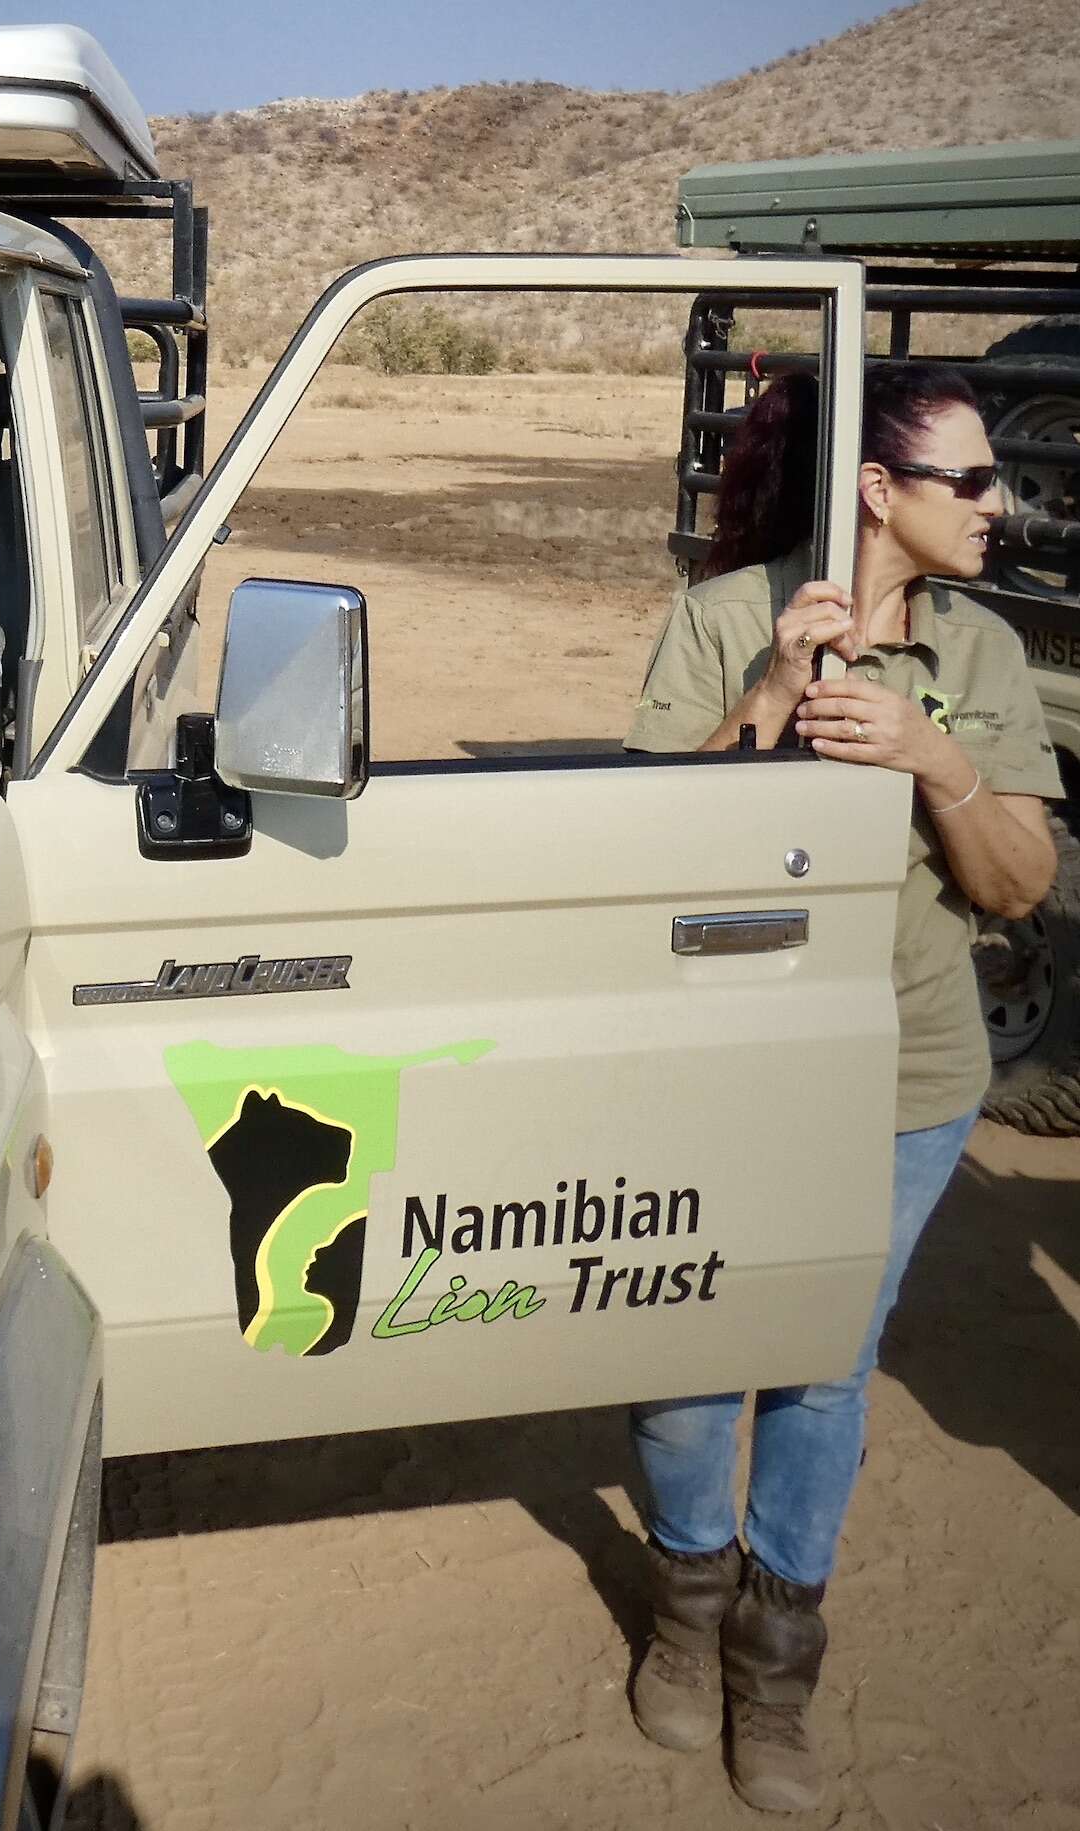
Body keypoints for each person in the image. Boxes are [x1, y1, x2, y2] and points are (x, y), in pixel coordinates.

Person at [620, 361, 1060, 1812]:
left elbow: (1017, 888)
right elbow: (633, 863)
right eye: (975, 481)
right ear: (881, 494)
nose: (1002, 505)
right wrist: (760, 704)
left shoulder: (984, 660)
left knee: (825, 1357)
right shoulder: (727, 616)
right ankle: (686, 1608)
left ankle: (773, 1657)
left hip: (907, 1074)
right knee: (689, 1350)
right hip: (725, 1072)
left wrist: (938, 764)